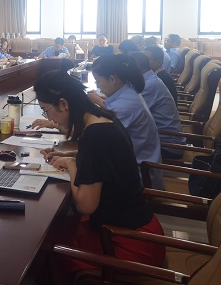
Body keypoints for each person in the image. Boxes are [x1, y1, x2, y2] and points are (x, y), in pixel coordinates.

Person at [35, 71, 165, 280]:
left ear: (64, 104)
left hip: (129, 243)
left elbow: (86, 205)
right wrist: (70, 155)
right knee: (59, 229)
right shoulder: (104, 118)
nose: (48, 118)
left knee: (45, 248)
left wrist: (71, 164)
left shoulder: (94, 135)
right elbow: (104, 157)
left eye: (46, 110)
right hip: (141, 229)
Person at [87, 54, 163, 189]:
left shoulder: (125, 106)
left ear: (112, 79)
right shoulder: (127, 91)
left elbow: (100, 137)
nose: (98, 86)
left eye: (98, 81)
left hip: (139, 175)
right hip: (137, 162)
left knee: (86, 173)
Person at [131, 51, 186, 159]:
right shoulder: (150, 79)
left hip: (167, 146)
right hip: (162, 137)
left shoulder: (149, 85)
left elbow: (132, 113)